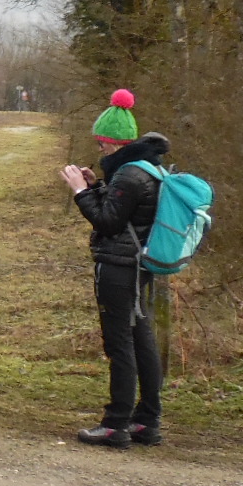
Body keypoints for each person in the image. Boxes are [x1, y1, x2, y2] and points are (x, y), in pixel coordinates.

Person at [61, 89, 167, 449]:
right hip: (140, 267)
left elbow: (107, 222)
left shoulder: (129, 176)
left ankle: (116, 423)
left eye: (102, 144)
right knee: (141, 338)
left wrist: (80, 192)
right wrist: (97, 186)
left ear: (113, 142)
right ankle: (147, 420)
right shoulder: (146, 169)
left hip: (119, 269)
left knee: (120, 342)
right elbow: (127, 215)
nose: (101, 149)